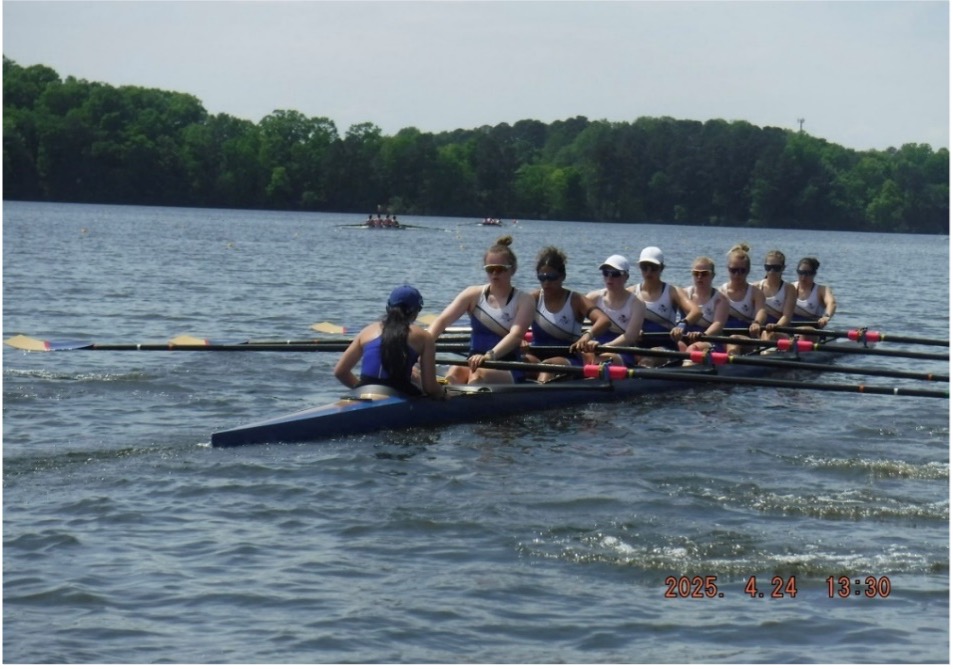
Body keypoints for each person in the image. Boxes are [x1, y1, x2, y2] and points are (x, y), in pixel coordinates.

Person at [427, 236, 535, 384]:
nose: (495, 274)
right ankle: (444, 400)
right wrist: (424, 344)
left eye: (500, 269)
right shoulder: (472, 295)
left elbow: (516, 336)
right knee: (455, 372)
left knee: (477, 376)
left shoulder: (524, 300)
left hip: (507, 365)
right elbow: (442, 320)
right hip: (474, 360)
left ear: (513, 270)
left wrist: (489, 356)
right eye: (490, 270)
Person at [333, 285, 443, 398]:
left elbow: (340, 372)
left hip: (362, 393)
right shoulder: (424, 337)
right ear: (415, 312)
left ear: (388, 308)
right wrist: (444, 394)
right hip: (400, 394)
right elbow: (430, 388)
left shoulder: (367, 331)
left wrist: (363, 389)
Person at [524, 246, 611, 382]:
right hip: (536, 353)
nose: (546, 282)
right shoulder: (533, 298)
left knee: (548, 367)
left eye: (552, 277)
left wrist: (587, 336)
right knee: (519, 361)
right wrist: (519, 338)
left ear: (563, 276)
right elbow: (512, 323)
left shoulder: (576, 300)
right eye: (542, 277)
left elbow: (604, 321)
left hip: (568, 357)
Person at [630, 246, 702, 365]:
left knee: (648, 358)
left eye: (653, 268)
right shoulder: (631, 292)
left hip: (667, 347)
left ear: (661, 268)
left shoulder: (672, 291)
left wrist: (681, 325)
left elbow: (696, 312)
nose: (648, 272)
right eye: (644, 267)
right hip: (639, 345)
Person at [581, 254, 646, 367]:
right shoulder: (593, 298)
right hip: (596, 347)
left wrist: (604, 347)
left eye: (615, 274)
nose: (609, 278)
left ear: (626, 277)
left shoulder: (637, 304)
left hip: (623, 350)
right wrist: (585, 340)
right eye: (606, 273)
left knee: (601, 361)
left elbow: (630, 336)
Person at [676, 255, 729, 361]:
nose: (699, 277)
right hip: (686, 338)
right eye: (696, 273)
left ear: (712, 275)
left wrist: (703, 335)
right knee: (678, 345)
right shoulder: (684, 294)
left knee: (693, 348)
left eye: (704, 274)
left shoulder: (720, 299)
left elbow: (718, 324)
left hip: (710, 340)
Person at [718, 243, 767, 354]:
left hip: (748, 338)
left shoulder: (755, 293)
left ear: (748, 270)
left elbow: (762, 311)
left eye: (742, 271)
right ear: (728, 269)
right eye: (733, 270)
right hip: (723, 337)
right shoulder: (720, 292)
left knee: (734, 339)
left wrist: (757, 322)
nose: (737, 274)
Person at [757, 249, 796, 341]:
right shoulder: (756, 287)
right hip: (760, 328)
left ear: (783, 268)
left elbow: (786, 316)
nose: (772, 271)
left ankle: (765, 353)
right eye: (768, 267)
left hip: (781, 329)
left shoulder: (789, 289)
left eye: (776, 268)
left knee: (769, 334)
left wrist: (776, 326)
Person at [793, 256, 837, 328]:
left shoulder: (822, 290)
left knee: (804, 330)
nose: (803, 277)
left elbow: (831, 303)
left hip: (812, 329)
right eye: (801, 273)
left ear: (814, 274)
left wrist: (826, 316)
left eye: (807, 273)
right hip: (790, 326)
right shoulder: (791, 288)